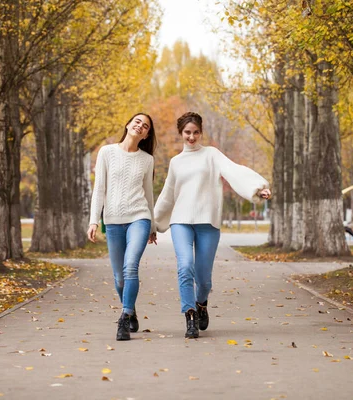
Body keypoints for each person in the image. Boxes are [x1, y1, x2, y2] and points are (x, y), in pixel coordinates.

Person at [153, 112, 271, 339]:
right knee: (185, 266)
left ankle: (201, 303)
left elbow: (235, 170)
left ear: (201, 133)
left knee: (203, 278)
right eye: (187, 132)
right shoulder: (175, 162)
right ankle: (189, 315)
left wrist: (257, 188)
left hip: (208, 222)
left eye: (196, 132)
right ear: (181, 133)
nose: (191, 137)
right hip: (181, 221)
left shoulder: (212, 155)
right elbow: (168, 195)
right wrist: (154, 225)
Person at [87, 113, 157, 341]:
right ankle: (131, 308)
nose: (140, 126)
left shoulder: (147, 159)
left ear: (146, 134)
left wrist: (153, 225)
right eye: (137, 121)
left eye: (145, 126)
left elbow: (148, 194)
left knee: (130, 267)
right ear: (128, 125)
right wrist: (93, 220)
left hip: (139, 217)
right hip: (113, 221)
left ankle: (124, 318)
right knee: (119, 278)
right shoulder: (107, 152)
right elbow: (99, 189)